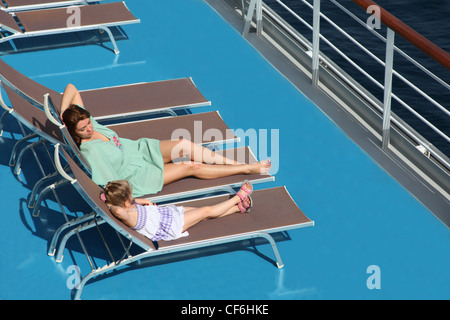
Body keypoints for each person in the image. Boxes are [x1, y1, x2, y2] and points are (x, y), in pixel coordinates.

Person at [60, 83, 271, 197]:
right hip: (138, 175)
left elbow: (71, 88)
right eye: (83, 129)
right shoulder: (91, 151)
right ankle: (246, 169)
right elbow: (111, 184)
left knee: (184, 145)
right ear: (75, 132)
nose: (89, 128)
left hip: (141, 151)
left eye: (88, 122)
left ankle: (234, 162)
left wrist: (63, 117)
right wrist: (136, 202)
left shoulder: (88, 124)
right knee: (191, 166)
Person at [100, 179, 254, 241]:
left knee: (203, 214)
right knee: (206, 211)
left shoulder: (127, 205)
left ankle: (237, 208)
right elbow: (118, 211)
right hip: (170, 226)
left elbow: (132, 202)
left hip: (166, 215)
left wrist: (144, 201)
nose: (133, 197)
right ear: (124, 202)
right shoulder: (124, 214)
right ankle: (238, 197)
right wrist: (109, 204)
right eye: (130, 196)